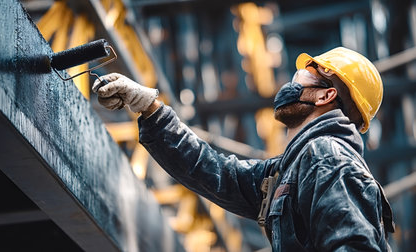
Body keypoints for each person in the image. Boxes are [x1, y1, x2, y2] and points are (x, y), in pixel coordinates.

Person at [92, 47, 395, 251]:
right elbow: (214, 172)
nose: (293, 78)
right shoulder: (290, 169)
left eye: (308, 71)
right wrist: (150, 108)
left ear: (325, 95)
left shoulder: (328, 159)